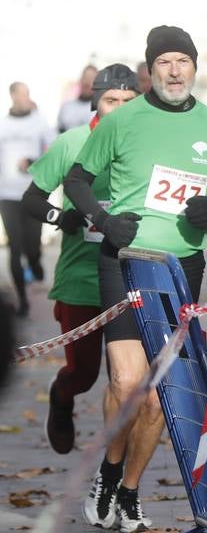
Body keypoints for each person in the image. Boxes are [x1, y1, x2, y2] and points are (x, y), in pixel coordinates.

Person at [64, 26, 207, 532]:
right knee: (126, 379)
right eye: (164, 61)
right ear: (150, 70)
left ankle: (131, 488)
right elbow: (76, 180)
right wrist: (103, 220)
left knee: (163, 387)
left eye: (183, 60)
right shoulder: (124, 121)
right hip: (125, 259)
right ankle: (110, 469)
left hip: (181, 267)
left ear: (195, 68)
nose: (175, 70)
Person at [22, 64, 139, 453]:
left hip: (132, 279)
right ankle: (61, 398)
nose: (120, 109)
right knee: (84, 374)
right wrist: (64, 217)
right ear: (96, 102)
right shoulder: (72, 143)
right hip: (81, 278)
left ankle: (113, 464)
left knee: (127, 379)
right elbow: (32, 200)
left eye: (128, 100)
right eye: (111, 100)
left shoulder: (147, 143)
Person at [0, 82, 55, 317]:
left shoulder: (39, 121)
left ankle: (35, 262)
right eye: (22, 94)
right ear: (13, 96)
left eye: (28, 94)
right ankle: (22, 299)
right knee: (15, 246)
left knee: (33, 245)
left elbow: (53, 148)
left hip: (33, 191)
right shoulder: (3, 124)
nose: (26, 98)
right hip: (7, 194)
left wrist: (34, 160)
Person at [57, 65, 98, 132]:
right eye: (85, 78)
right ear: (80, 80)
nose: (87, 82)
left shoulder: (101, 109)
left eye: (91, 79)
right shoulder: (67, 106)